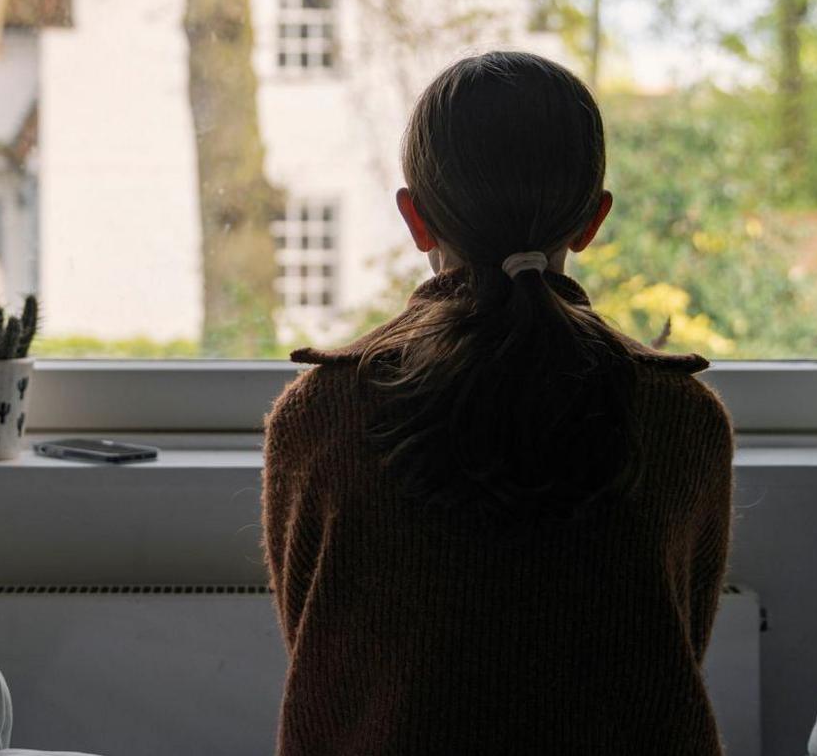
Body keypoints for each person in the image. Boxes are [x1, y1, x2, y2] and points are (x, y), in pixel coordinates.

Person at [262, 50, 735, 755]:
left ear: (415, 220)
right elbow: (673, 656)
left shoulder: (320, 416)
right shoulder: (684, 418)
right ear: (592, 220)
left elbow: (320, 653)